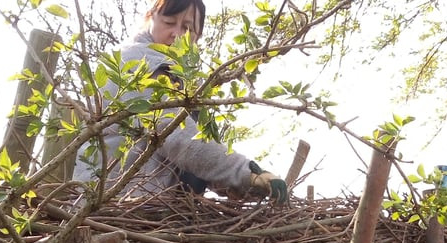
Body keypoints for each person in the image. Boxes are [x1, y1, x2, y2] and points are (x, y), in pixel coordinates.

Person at [74, 0, 288, 203]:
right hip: (117, 202)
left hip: (149, 206)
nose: (177, 34)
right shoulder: (135, 62)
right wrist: (245, 173)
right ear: (151, 18)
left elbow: (197, 156)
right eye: (169, 22)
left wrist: (245, 185)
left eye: (187, 28)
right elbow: (176, 136)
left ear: (197, 36)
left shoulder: (187, 85)